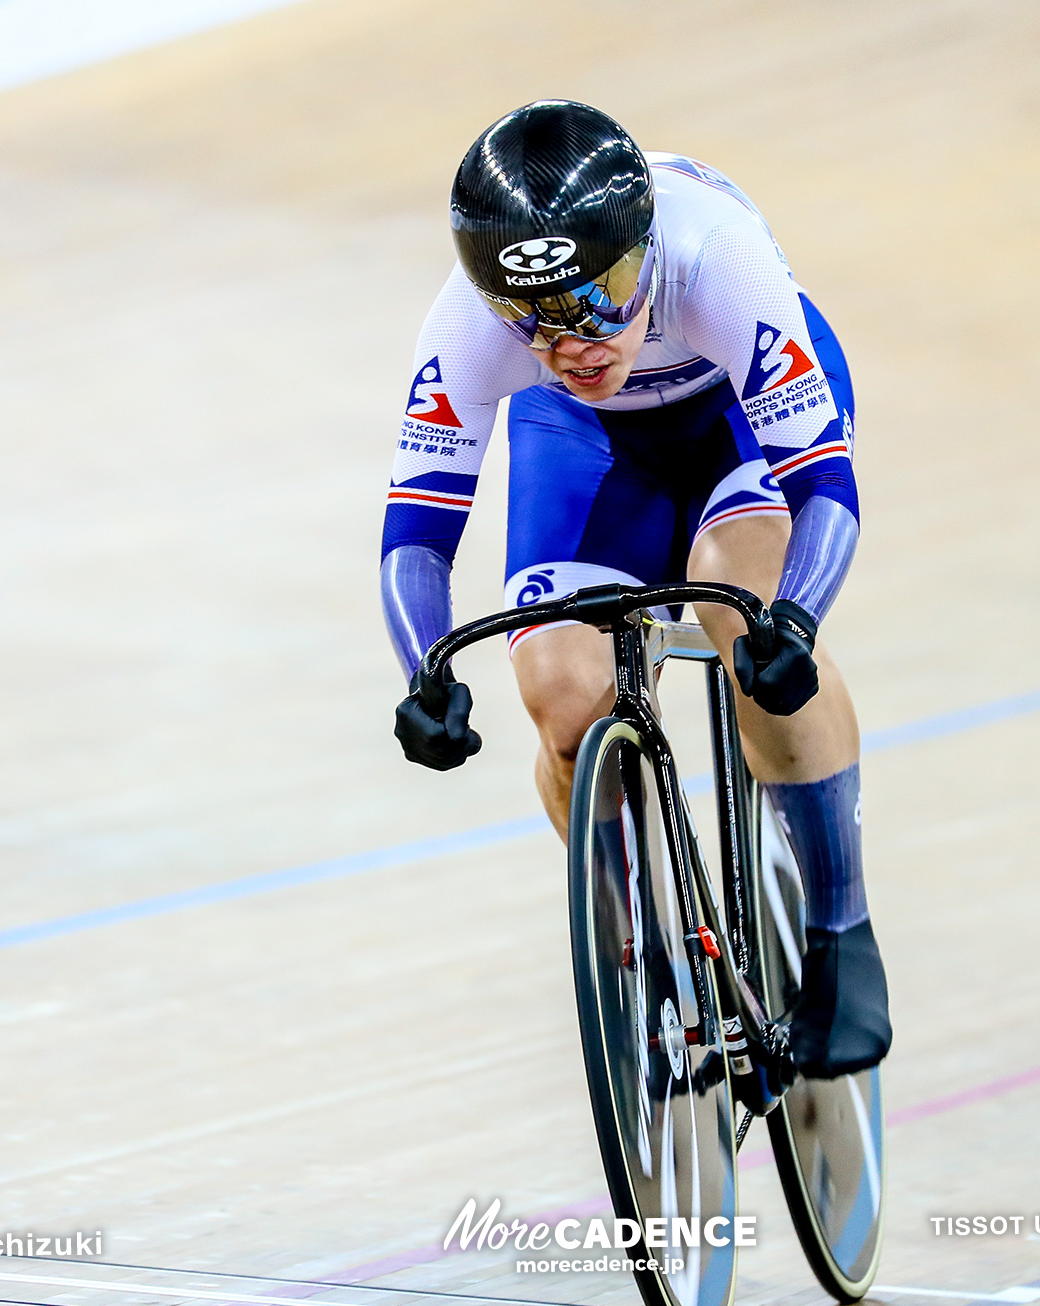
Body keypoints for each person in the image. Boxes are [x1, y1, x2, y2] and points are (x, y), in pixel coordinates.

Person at [379, 100, 888, 1079]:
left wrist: (795, 618)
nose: (576, 344)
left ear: (643, 253)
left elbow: (825, 485)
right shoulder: (465, 322)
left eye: (601, 298)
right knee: (563, 698)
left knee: (737, 606)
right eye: (535, 319)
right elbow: (416, 534)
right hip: (584, 445)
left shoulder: (714, 256)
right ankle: (640, 956)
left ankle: (840, 931)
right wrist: (422, 673)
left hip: (737, 422)